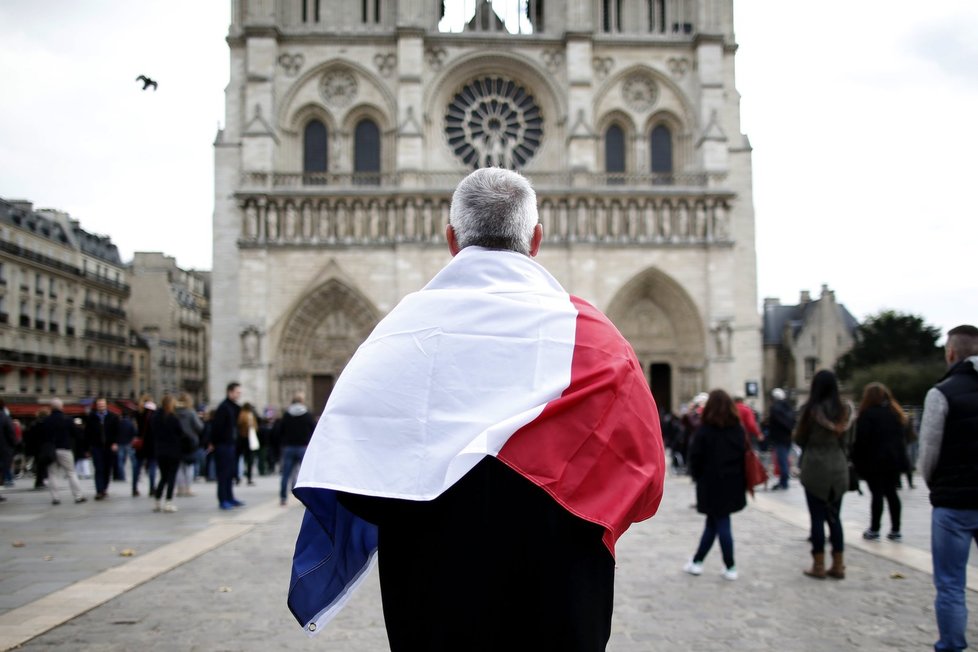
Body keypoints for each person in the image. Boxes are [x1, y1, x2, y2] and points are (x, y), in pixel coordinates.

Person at [287, 168, 666, 650]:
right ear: (536, 239)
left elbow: (353, 482)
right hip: (561, 596)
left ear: (452, 239)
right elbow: (644, 474)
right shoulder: (596, 337)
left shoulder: (398, 335)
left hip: (431, 597)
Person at [917, 324, 978, 652]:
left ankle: (952, 646)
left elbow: (928, 453)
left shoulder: (942, 392)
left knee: (951, 584)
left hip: (954, 502)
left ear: (951, 353)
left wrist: (935, 485)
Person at [793, 369, 853, 580]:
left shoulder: (810, 411)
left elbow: (799, 439)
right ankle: (838, 564)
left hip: (815, 466)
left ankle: (818, 565)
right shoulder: (844, 410)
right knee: (835, 518)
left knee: (817, 518)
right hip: (837, 465)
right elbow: (848, 440)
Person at [683, 389, 747, 581]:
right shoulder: (737, 429)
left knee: (721, 523)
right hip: (733, 481)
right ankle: (697, 561)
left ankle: (730, 565)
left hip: (711, 483)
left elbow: (694, 458)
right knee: (713, 523)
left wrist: (697, 477)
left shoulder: (705, 430)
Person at [852, 382, 910, 542]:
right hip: (893, 461)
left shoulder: (867, 415)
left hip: (874, 461)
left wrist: (857, 461)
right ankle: (896, 529)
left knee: (877, 494)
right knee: (892, 494)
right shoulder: (895, 413)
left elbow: (861, 441)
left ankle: (875, 528)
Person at [39, 399, 86, 505]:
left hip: (51, 450)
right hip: (65, 449)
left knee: (52, 474)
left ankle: (55, 498)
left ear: (51, 407)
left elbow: (42, 436)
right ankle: (78, 496)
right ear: (61, 407)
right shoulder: (67, 419)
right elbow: (76, 434)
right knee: (71, 473)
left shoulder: (46, 420)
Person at [276, 392, 316, 506]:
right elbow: (314, 430)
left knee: (285, 474)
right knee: (305, 475)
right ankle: (306, 499)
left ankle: (283, 498)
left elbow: (280, 431)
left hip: (289, 447)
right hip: (303, 447)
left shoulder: (286, 415)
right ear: (302, 402)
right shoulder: (307, 415)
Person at [210, 382, 243, 510]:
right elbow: (216, 428)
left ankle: (230, 497)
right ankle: (223, 499)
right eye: (237, 392)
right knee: (223, 474)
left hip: (231, 444)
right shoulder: (223, 407)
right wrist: (215, 443)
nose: (239, 394)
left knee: (230, 473)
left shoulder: (232, 407)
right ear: (230, 392)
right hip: (223, 445)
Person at [150, 395, 183, 512]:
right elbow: (180, 433)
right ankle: (168, 502)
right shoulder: (174, 418)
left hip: (160, 451)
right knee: (171, 477)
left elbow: (152, 433)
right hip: (173, 451)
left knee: (163, 477)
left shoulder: (155, 417)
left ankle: (157, 501)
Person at [84, 397, 120, 500]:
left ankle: (104, 488)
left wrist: (115, 443)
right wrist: (87, 448)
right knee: (98, 468)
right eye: (99, 405)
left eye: (103, 405)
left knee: (107, 469)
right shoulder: (92, 417)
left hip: (109, 446)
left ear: (106, 405)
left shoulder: (113, 417)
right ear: (96, 406)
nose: (101, 407)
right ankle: (99, 491)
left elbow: (117, 432)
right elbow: (87, 434)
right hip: (96, 446)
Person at [174, 392, 203, 497]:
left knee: (179, 467)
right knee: (189, 466)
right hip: (190, 442)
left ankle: (180, 489)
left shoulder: (174, 412)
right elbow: (199, 427)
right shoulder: (191, 413)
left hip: (177, 442)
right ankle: (188, 488)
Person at [767, 388, 796, 490]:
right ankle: (784, 480)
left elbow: (773, 423)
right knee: (784, 458)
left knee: (782, 459)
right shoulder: (788, 407)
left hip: (779, 438)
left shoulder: (775, 408)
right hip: (787, 437)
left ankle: (784, 481)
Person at [236, 402, 259, 486]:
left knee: (245, 459)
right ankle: (244, 477)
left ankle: (243, 477)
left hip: (247, 438)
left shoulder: (247, 415)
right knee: (248, 458)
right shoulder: (245, 415)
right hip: (245, 438)